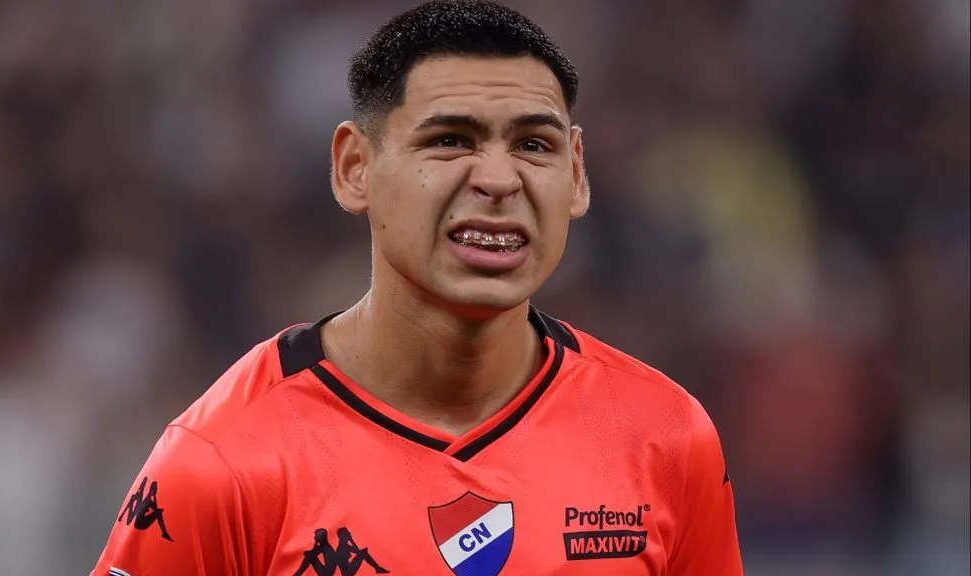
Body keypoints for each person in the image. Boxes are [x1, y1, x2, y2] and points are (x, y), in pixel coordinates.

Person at [91, 1, 744, 574]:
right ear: (354, 169)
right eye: (451, 140)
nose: (498, 178)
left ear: (576, 176)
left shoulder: (668, 438)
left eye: (534, 145)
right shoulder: (221, 461)